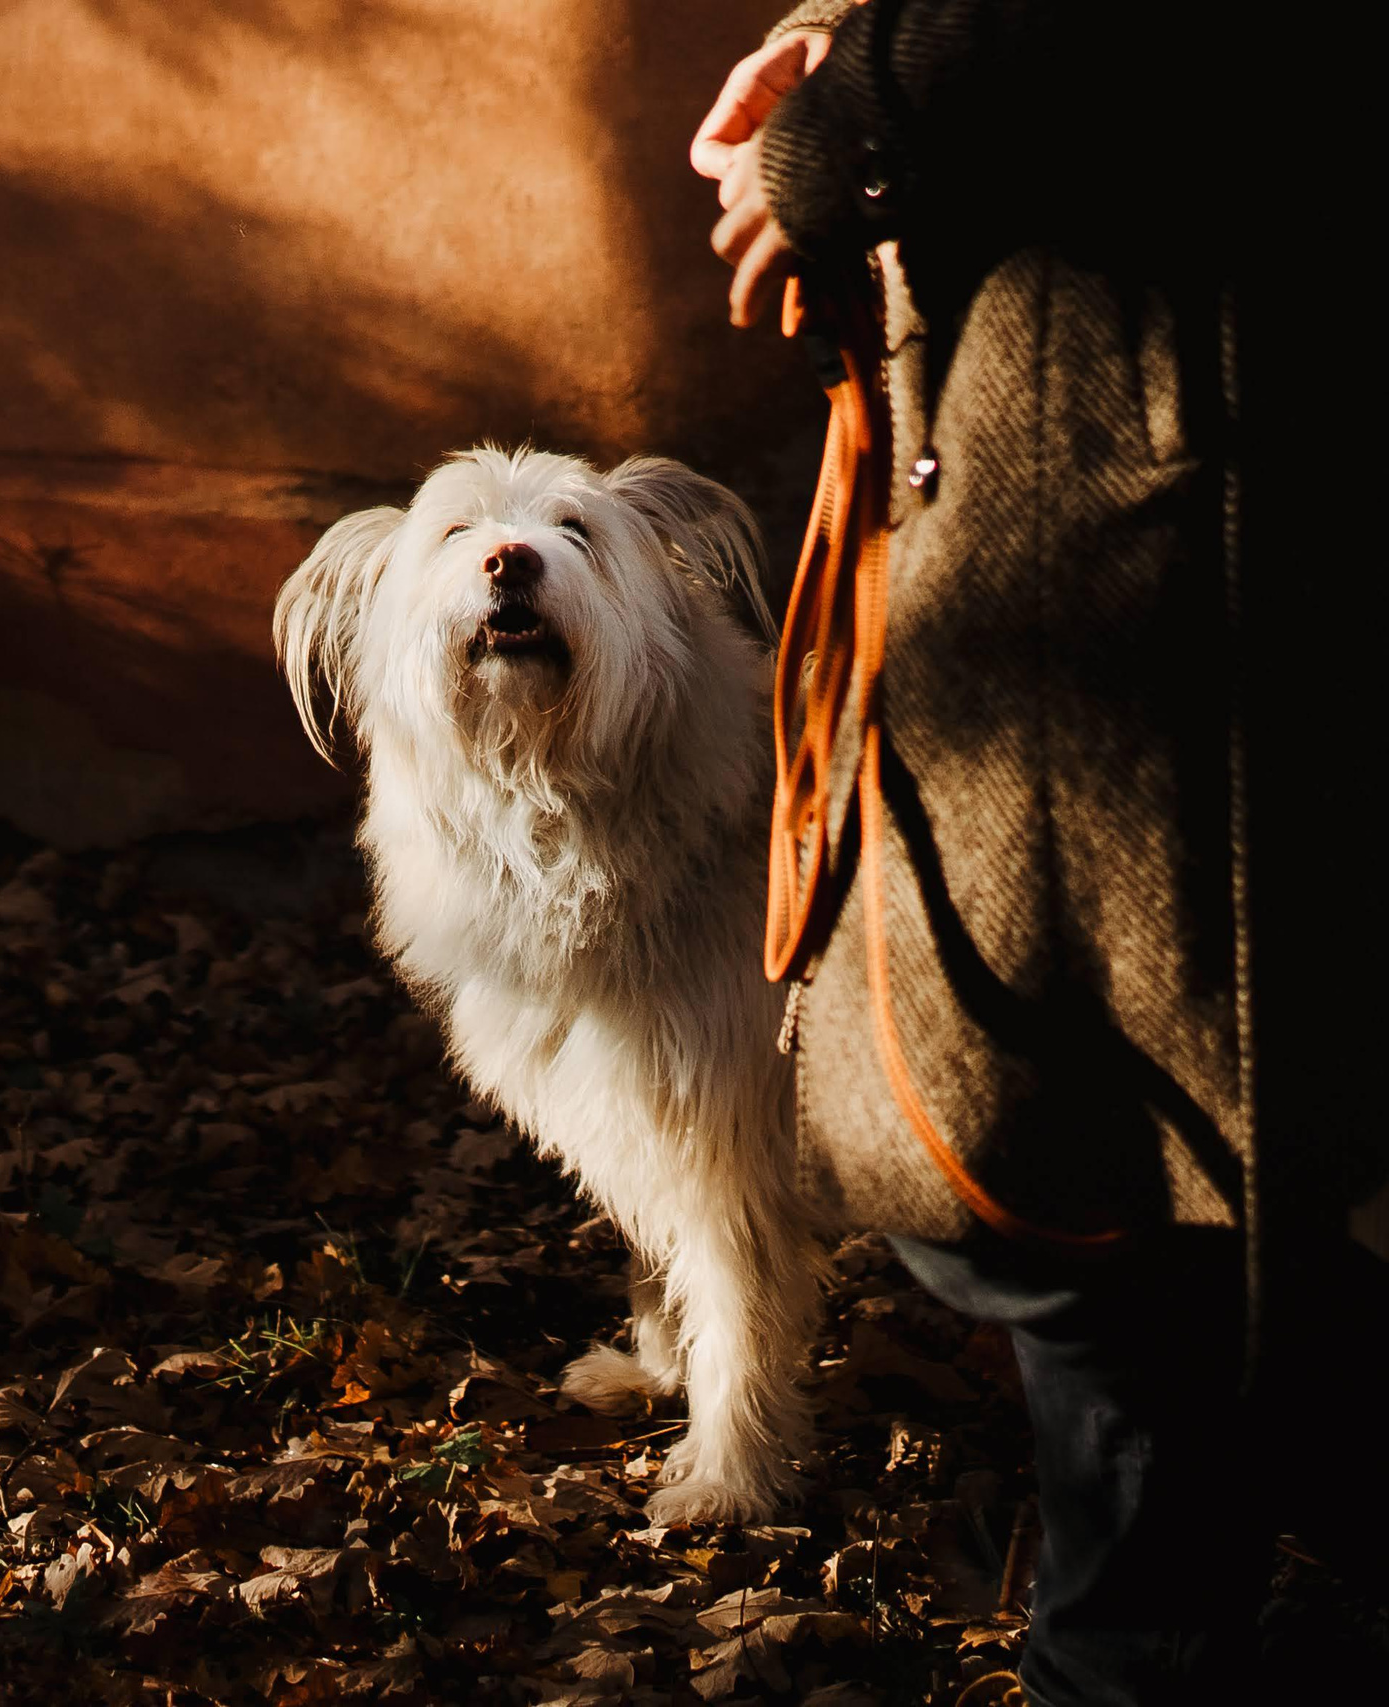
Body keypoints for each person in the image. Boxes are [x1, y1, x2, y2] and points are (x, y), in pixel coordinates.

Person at [692, 4, 1387, 1702]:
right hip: (1088, 422)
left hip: (1190, 448)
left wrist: (869, 105)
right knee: (1063, 1170)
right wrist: (840, 45)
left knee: (1084, 1162)